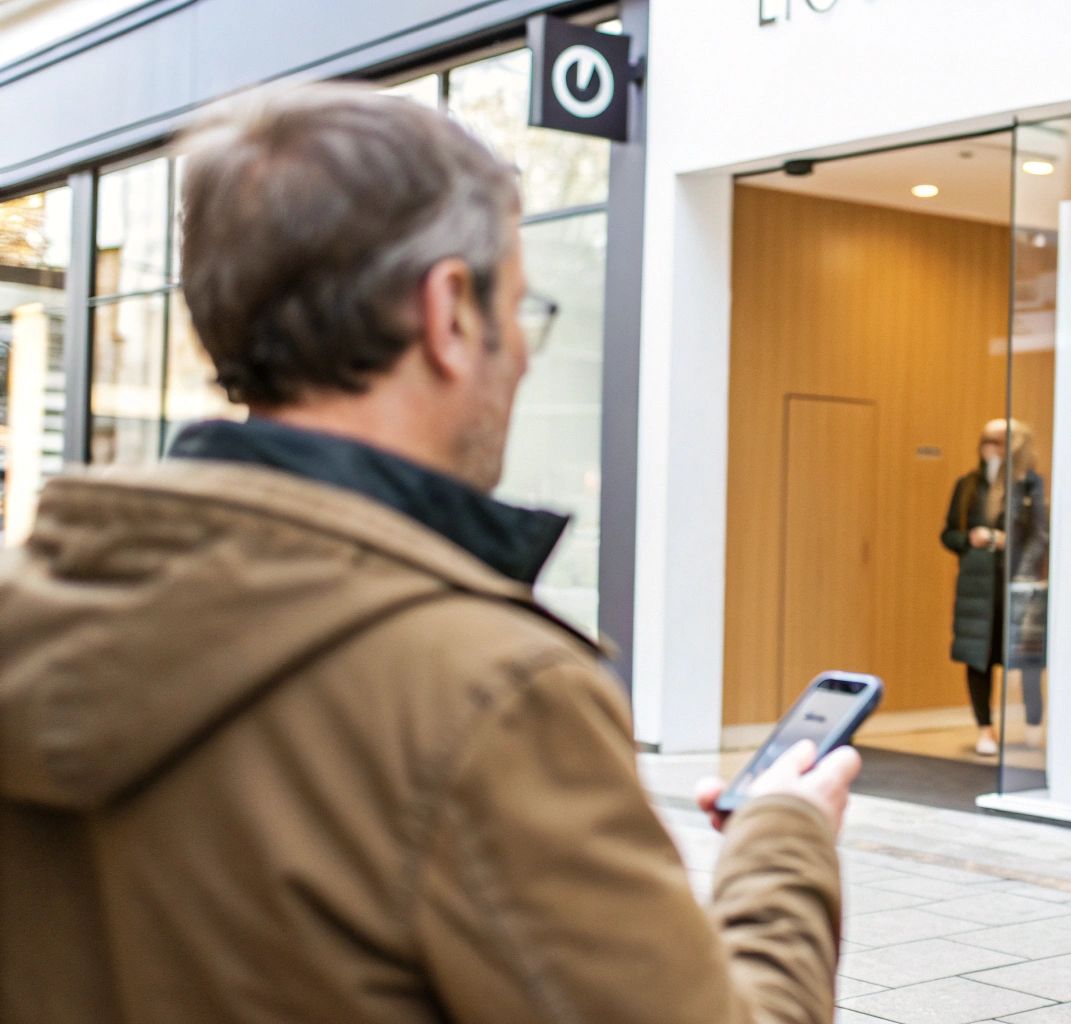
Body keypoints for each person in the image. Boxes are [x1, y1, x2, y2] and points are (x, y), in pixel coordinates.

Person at [0, 84, 859, 1024]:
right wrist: (787, 843)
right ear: (450, 310)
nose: (527, 357)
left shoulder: (26, 610)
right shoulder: (492, 699)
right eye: (523, 309)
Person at [940, 418, 1049, 757]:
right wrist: (970, 540)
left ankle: (1034, 722)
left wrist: (1007, 543)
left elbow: (1040, 536)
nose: (990, 447)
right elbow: (949, 533)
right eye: (986, 440)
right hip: (977, 583)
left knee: (1026, 656)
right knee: (978, 658)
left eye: (998, 441)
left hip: (1017, 582)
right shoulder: (969, 485)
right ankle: (985, 727)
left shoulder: (1029, 486)